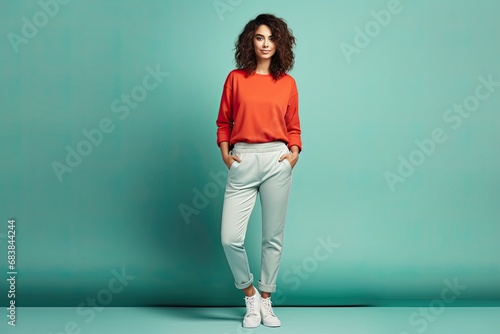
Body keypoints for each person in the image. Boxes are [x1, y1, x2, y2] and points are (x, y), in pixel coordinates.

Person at [216, 13, 302, 328]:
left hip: (277, 160)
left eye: (271, 38)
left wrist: (292, 154)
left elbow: (294, 127)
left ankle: (266, 299)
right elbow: (224, 121)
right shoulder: (235, 78)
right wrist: (227, 155)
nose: (265, 44)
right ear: (250, 42)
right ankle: (249, 293)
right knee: (229, 238)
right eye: (259, 37)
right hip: (243, 160)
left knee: (272, 237)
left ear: (279, 43)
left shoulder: (288, 83)